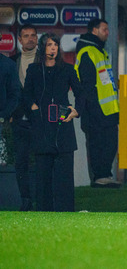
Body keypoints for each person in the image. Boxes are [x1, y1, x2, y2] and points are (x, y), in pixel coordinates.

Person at [23, 33, 83, 212]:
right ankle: (43, 209)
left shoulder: (67, 69)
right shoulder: (34, 70)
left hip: (62, 123)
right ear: (43, 48)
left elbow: (81, 93)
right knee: (43, 173)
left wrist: (75, 111)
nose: (53, 48)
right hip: (41, 124)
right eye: (49, 45)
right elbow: (26, 94)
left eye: (55, 45)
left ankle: (65, 210)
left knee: (64, 172)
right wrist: (33, 107)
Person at [75, 19, 121, 188]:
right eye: (104, 29)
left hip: (106, 110)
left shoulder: (98, 51)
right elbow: (88, 86)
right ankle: (100, 177)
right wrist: (94, 109)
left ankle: (105, 175)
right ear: (94, 30)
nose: (107, 33)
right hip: (96, 110)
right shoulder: (88, 52)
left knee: (109, 144)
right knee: (98, 144)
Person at [10, 24, 38, 211]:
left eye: (33, 35)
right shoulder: (11, 63)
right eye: (26, 36)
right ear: (19, 40)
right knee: (21, 162)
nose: (30, 39)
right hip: (19, 120)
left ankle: (42, 199)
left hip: (41, 120)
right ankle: (26, 200)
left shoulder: (45, 61)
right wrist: (10, 114)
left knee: (43, 161)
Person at [0, 52, 20, 167]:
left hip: (1, 123)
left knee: (2, 167)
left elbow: (14, 95)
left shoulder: (8, 65)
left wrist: (3, 115)